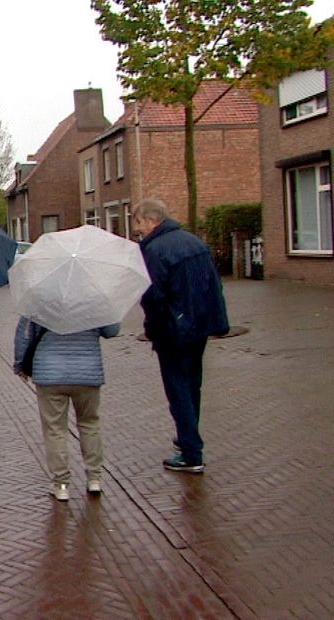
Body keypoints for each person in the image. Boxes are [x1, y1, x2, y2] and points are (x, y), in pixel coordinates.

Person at [133, 198, 229, 474]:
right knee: (192, 384)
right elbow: (213, 283)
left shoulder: (154, 250)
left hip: (173, 331)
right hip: (200, 327)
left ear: (152, 221)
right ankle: (188, 437)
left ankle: (191, 453)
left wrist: (153, 328)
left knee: (178, 390)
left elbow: (153, 297)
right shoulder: (194, 242)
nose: (138, 231)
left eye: (139, 224)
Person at [13, 319, 121, 500]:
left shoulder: (39, 296)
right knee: (89, 424)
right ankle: (95, 478)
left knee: (55, 430)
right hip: (87, 372)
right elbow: (111, 331)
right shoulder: (94, 297)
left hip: (49, 373)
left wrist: (19, 364)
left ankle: (61, 484)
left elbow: (24, 335)